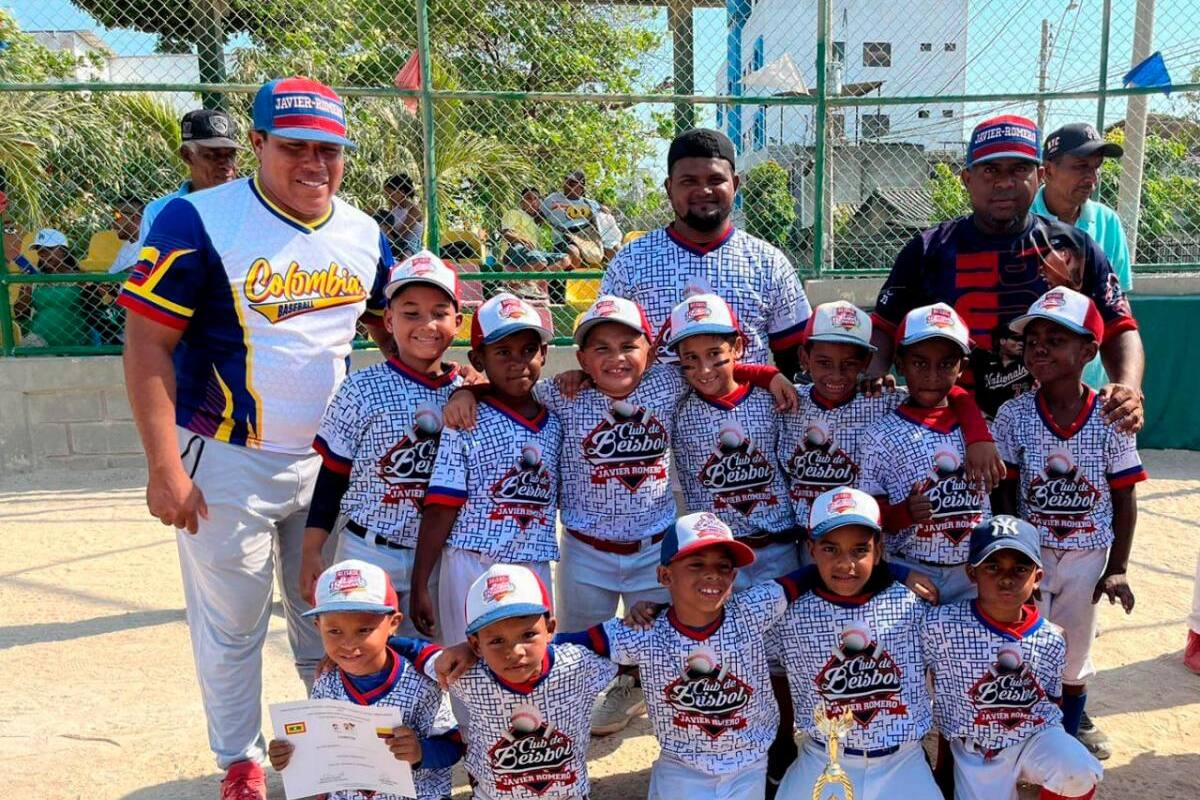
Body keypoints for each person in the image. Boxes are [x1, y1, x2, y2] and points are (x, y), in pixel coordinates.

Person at [119, 76, 394, 800]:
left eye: (329, 151)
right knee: (235, 622)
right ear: (260, 145)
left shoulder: (363, 232)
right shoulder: (197, 218)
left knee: (329, 612)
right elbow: (147, 344)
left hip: (330, 462)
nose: (314, 165)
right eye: (295, 147)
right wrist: (162, 468)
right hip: (221, 455)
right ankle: (239, 760)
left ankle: (337, 752)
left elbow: (392, 319)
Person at [439, 294, 794, 736]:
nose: (616, 358)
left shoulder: (667, 383)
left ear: (650, 349)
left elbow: (714, 369)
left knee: (671, 645)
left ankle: (667, 718)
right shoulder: (562, 394)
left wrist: (769, 373)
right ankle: (559, 743)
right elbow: (511, 383)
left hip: (654, 550)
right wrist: (468, 391)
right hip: (586, 553)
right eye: (600, 348)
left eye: (628, 345)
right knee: (578, 654)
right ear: (582, 357)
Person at [868, 115, 1145, 434]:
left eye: (1018, 169)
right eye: (990, 170)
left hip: (1048, 427)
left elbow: (1120, 325)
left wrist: (1128, 387)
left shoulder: (1074, 247)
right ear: (967, 179)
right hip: (949, 427)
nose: (1004, 182)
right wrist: (874, 377)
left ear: (1039, 175)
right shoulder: (928, 249)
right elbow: (885, 326)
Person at [992, 287, 1147, 760]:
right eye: (1032, 338)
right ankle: (1022, 726)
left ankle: (1066, 732)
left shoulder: (1109, 416)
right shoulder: (1014, 412)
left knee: (1074, 652)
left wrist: (1117, 566)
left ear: (1088, 351)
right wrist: (1013, 555)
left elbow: (1125, 496)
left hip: (1086, 555)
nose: (1039, 347)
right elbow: (1005, 491)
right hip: (1031, 556)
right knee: (1024, 641)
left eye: (1056, 339)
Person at [300, 252, 463, 637]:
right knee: (364, 663)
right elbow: (333, 475)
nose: (426, 324)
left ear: (458, 322)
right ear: (388, 319)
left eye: (439, 312)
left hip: (439, 556)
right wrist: (311, 550)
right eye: (410, 313)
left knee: (431, 665)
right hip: (367, 548)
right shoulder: (361, 387)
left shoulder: (467, 392)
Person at [408, 292, 560, 655]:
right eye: (502, 352)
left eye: (527, 350)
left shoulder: (556, 418)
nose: (517, 362)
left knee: (530, 664)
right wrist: (420, 582)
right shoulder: (464, 420)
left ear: (544, 354)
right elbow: (442, 507)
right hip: (470, 562)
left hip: (533, 561)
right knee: (468, 666)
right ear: (478, 358)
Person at [768, 487, 941, 800]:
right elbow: (726, 627)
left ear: (878, 549)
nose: (845, 563)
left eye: (859, 550)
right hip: (823, 757)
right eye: (830, 549)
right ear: (811, 548)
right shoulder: (789, 612)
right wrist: (652, 610)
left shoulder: (912, 604)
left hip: (901, 759)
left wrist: (896, 571)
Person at [601, 128, 810, 376]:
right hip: (655, 413)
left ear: (735, 183)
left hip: (746, 412)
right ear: (669, 188)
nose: (704, 190)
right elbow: (602, 350)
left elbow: (796, 360)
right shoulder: (631, 261)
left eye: (715, 180)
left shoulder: (769, 262)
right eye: (689, 181)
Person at [922, 516, 1103, 800]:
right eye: (992, 567)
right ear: (972, 573)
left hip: (1032, 738)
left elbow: (1051, 708)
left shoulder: (1051, 638)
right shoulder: (941, 625)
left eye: (1020, 568)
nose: (1006, 578)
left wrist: (1054, 756)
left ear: (1037, 577)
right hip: (975, 750)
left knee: (1076, 770)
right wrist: (945, 767)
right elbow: (946, 704)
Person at [778, 301, 997, 534]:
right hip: (803, 534)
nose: (836, 374)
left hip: (860, 537)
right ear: (804, 357)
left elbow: (948, 391)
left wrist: (978, 436)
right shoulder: (789, 399)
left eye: (849, 363)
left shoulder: (881, 398)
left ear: (866, 362)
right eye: (824, 363)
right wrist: (771, 376)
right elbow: (738, 377)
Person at [266, 559, 463, 800]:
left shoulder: (422, 683)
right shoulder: (326, 682)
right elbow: (320, 750)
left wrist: (421, 752)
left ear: (393, 624)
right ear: (318, 626)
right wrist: (288, 754)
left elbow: (453, 744)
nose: (348, 644)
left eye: (364, 630)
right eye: (334, 631)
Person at [428, 564, 620, 800]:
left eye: (528, 635)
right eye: (497, 640)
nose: (515, 651)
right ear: (476, 645)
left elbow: (635, 637)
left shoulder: (578, 664)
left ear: (550, 629)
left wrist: (650, 609)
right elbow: (409, 654)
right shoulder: (464, 674)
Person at [860, 303, 990, 604]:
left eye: (946, 364)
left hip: (973, 569)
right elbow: (870, 514)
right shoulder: (880, 433)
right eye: (920, 363)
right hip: (910, 566)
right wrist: (902, 513)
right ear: (899, 363)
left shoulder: (982, 431)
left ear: (962, 367)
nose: (932, 375)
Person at [1033, 123, 1130, 391]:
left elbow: (1120, 305)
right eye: (1080, 166)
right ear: (1048, 170)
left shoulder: (1107, 221)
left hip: (1090, 381)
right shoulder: (1021, 221)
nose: (1092, 178)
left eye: (1096, 167)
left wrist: (1126, 382)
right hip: (1028, 383)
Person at [139, 108, 243, 242]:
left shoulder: (250, 205)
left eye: (231, 155)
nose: (226, 164)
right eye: (213, 156)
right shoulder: (159, 212)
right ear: (187, 155)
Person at [497, 186, 569, 304]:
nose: (533, 202)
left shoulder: (535, 224)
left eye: (536, 199)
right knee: (540, 260)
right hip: (514, 250)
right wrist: (522, 239)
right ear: (521, 202)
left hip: (532, 253)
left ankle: (529, 284)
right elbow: (507, 233)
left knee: (565, 259)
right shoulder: (514, 213)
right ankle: (512, 282)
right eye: (529, 198)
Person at [968, 322, 1033, 419]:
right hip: (988, 421)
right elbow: (963, 339)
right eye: (1016, 339)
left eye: (1023, 340)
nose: (1021, 343)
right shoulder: (983, 359)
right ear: (1002, 341)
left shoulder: (1029, 360)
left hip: (1022, 419)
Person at [384, 173, 424, 258]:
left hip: (411, 246)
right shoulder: (393, 209)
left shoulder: (414, 211)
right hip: (396, 244)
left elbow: (401, 235)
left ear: (401, 192)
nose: (387, 197)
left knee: (406, 251)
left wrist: (386, 232)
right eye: (386, 194)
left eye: (390, 194)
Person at [109, 196, 145, 274]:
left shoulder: (151, 246)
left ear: (135, 218)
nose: (113, 222)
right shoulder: (127, 245)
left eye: (117, 215)